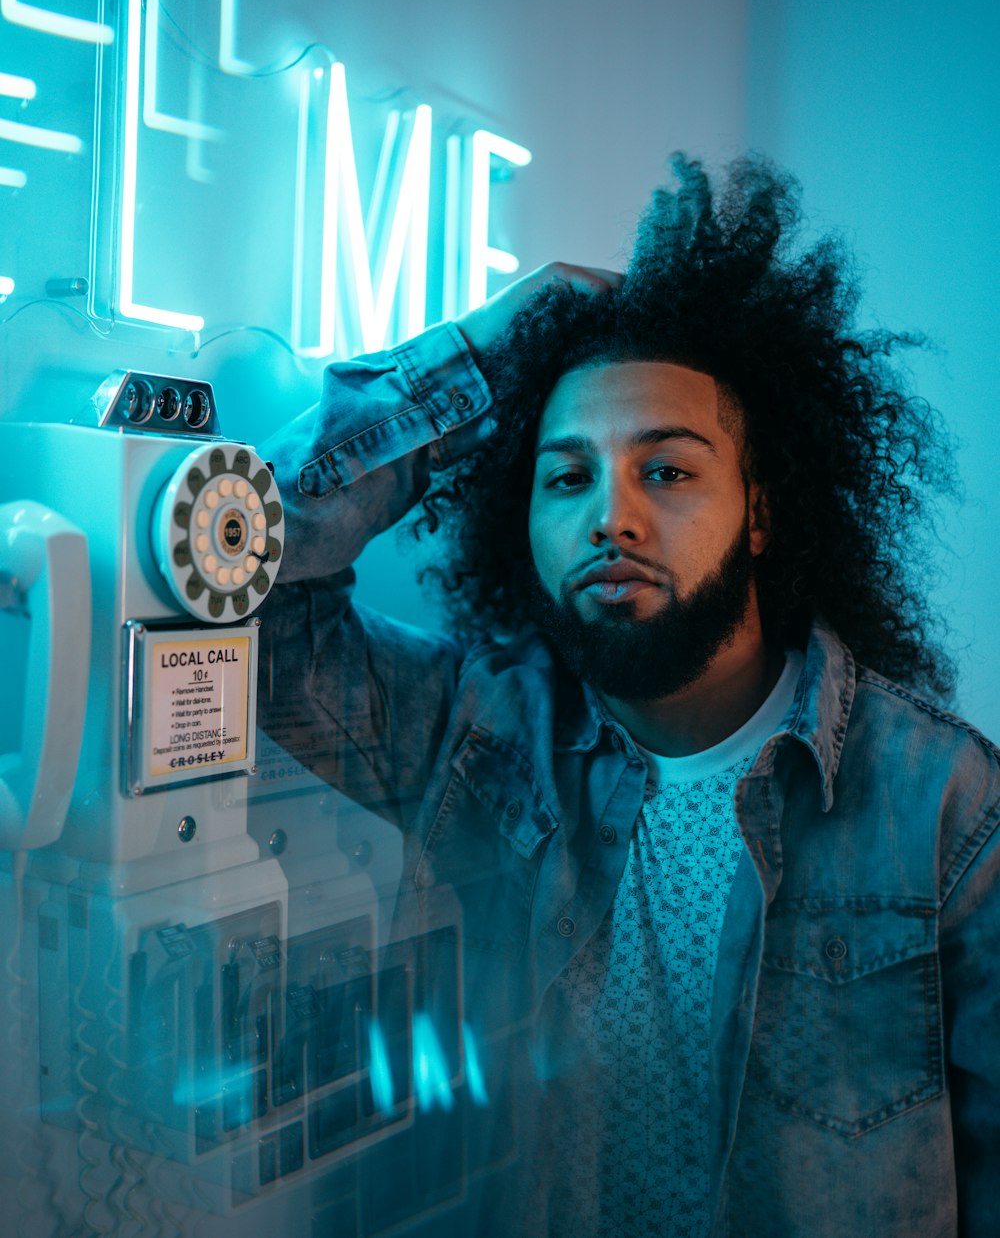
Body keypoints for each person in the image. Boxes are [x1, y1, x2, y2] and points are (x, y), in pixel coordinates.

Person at [258, 155, 1000, 1238]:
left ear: (758, 511)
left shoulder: (942, 803)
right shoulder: (476, 733)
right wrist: (473, 359)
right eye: (567, 477)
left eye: (667, 470)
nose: (610, 516)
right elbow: (235, 597)